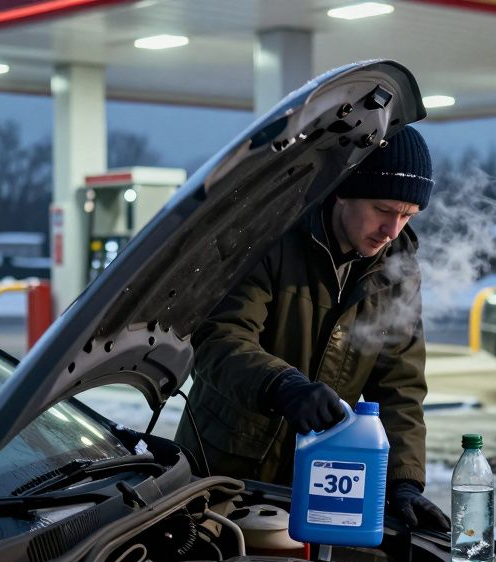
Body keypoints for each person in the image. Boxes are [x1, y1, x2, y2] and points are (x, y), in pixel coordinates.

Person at [178, 125, 449, 531]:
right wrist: (282, 385)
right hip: (225, 472)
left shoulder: (399, 272)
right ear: (342, 190)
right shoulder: (270, 240)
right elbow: (219, 336)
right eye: (383, 209)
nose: (392, 230)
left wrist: (403, 480)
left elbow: (399, 385)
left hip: (323, 478)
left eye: (407, 216)